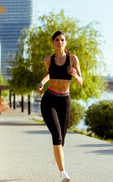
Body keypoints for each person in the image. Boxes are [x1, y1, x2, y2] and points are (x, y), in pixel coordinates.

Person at [37, 30, 83, 182]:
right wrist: (41, 83)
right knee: (56, 136)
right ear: (53, 42)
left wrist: (76, 76)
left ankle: (56, 158)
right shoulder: (47, 59)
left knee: (62, 140)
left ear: (66, 42)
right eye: (56, 40)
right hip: (49, 99)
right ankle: (63, 172)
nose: (59, 42)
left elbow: (80, 81)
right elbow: (49, 74)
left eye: (62, 40)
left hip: (65, 101)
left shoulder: (72, 59)